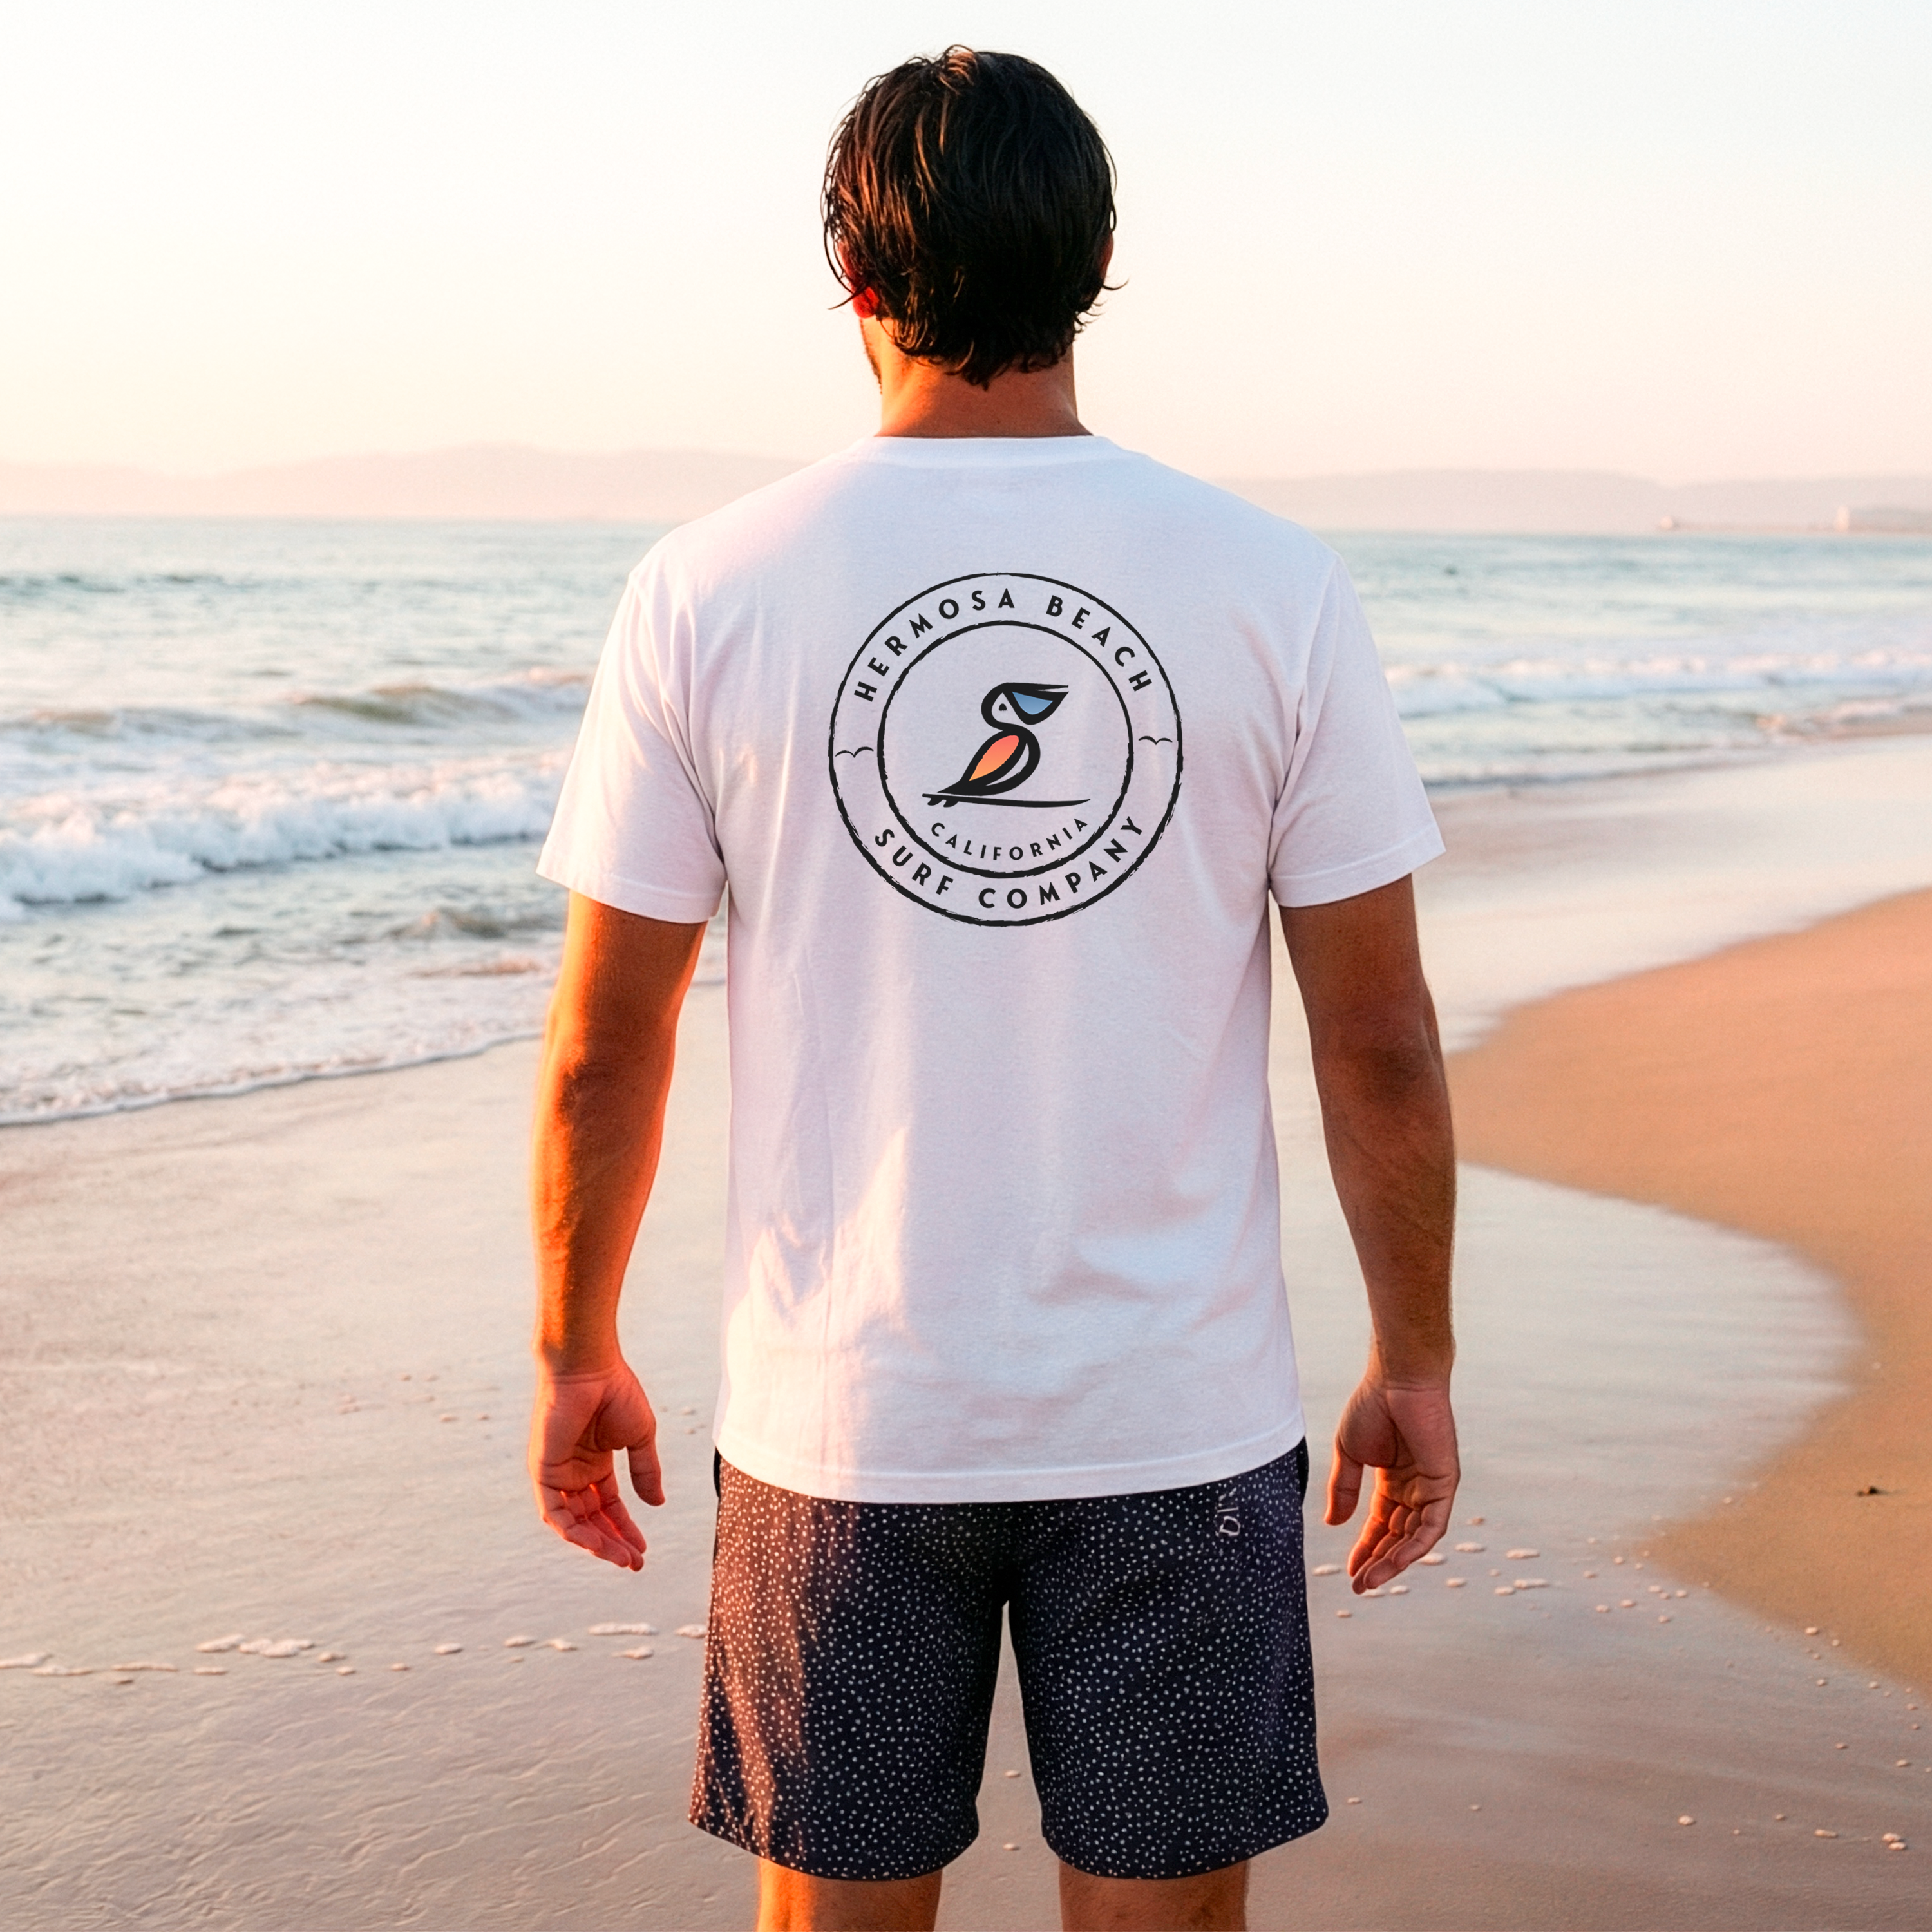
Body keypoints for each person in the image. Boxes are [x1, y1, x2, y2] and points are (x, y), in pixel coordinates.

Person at [528, 46, 1457, 1932]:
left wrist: (573, 1347)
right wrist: (1416, 1361)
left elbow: (603, 1048)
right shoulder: (1271, 586)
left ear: (850, 279)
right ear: (1097, 262)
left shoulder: (708, 589)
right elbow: (1377, 1037)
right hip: (1177, 1420)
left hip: (843, 1419)